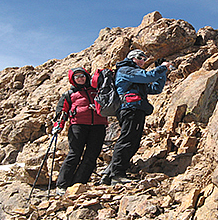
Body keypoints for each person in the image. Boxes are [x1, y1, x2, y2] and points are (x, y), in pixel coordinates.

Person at [101, 49, 173, 185]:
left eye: (145, 59)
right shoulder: (126, 70)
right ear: (133, 58)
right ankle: (117, 174)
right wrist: (162, 67)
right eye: (141, 58)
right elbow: (148, 77)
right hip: (129, 109)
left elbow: (156, 89)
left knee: (133, 142)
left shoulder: (135, 75)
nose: (143, 61)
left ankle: (111, 172)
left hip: (137, 108)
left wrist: (161, 72)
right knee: (127, 140)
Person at [53, 67, 108, 195]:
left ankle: (78, 183)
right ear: (73, 80)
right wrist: (58, 125)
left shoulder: (96, 90)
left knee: (92, 155)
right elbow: (62, 112)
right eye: (77, 77)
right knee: (74, 154)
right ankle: (62, 184)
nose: (80, 78)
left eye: (82, 76)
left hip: (98, 126)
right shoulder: (69, 94)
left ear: (86, 76)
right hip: (78, 126)